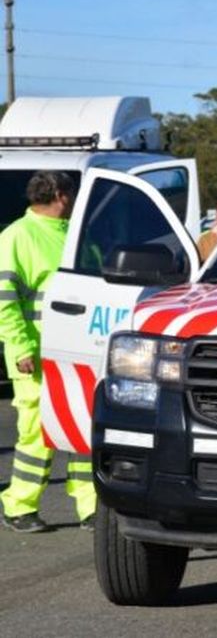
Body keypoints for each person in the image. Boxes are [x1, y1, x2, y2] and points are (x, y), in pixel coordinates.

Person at [0, 171, 96, 533]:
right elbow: (4, 301)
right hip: (34, 355)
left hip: (76, 352)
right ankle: (18, 506)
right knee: (36, 433)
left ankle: (91, 507)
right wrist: (22, 346)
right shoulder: (16, 238)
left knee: (82, 429)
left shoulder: (75, 236)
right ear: (61, 195)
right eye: (72, 194)